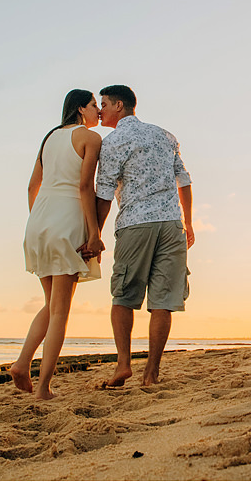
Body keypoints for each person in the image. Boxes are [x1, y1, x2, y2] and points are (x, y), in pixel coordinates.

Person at [90, 84, 194, 387]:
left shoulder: (114, 141)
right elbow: (184, 180)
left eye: (105, 104)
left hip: (136, 223)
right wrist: (188, 223)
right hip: (172, 224)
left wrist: (95, 233)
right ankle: (151, 373)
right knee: (163, 300)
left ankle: (123, 365)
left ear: (120, 106)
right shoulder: (165, 135)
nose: (101, 111)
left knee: (123, 295)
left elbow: (105, 191)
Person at [9, 89, 104, 400]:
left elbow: (31, 186)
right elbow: (84, 187)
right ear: (80, 108)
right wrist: (94, 233)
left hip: (39, 221)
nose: (98, 112)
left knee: (51, 305)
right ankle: (44, 388)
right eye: (93, 105)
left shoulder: (49, 139)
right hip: (67, 219)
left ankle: (22, 364)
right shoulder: (90, 139)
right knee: (61, 311)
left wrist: (39, 219)